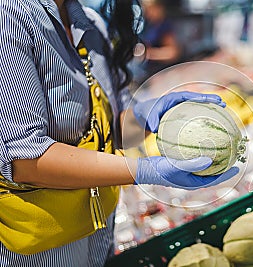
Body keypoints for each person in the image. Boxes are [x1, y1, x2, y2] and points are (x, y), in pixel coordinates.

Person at [0, 0, 238, 266]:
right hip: (40, 254)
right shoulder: (10, 16)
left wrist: (147, 118)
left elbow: (115, 134)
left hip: (99, 243)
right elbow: (24, 161)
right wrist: (145, 171)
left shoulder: (93, 24)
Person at [132, 0, 181, 83]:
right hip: (147, 74)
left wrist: (149, 54)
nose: (147, 13)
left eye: (150, 9)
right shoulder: (148, 25)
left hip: (162, 75)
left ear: (159, 8)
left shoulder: (165, 26)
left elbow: (172, 53)